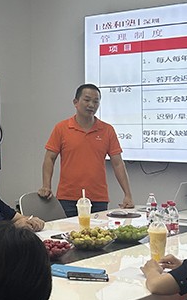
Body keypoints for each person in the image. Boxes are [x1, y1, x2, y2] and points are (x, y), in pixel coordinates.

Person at [38, 83, 134, 217]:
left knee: (99, 230)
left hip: (98, 198)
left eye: (96, 101)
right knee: (69, 229)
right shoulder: (61, 128)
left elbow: (118, 163)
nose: (91, 105)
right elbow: (49, 158)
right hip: (68, 198)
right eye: (87, 100)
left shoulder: (107, 130)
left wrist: (127, 194)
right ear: (75, 102)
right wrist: (46, 186)